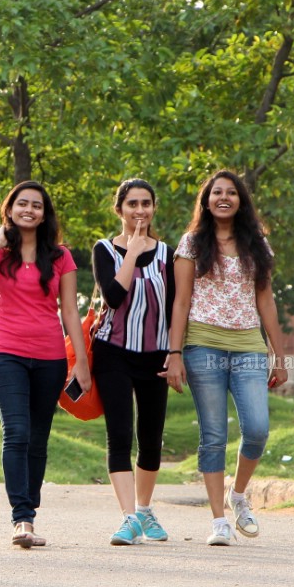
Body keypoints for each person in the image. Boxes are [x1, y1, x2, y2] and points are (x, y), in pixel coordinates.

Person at [0, 181, 91, 548]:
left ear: (45, 214)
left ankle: (30, 512)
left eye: (36, 205)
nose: (29, 210)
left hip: (50, 356)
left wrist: (80, 364)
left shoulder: (60, 256)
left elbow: (70, 311)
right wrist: (0, 239)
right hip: (7, 353)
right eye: (22, 204)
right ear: (10, 209)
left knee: (37, 438)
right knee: (16, 431)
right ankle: (21, 519)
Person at [163, 170, 287, 546]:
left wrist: (278, 355)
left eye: (231, 192)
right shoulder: (191, 244)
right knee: (213, 434)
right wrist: (174, 353)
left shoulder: (257, 245)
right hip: (203, 344)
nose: (223, 197)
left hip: (249, 344)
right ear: (206, 199)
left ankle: (238, 494)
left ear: (240, 200)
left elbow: (265, 300)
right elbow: (180, 302)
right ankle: (219, 520)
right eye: (216, 192)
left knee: (257, 428)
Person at [91, 179, 175, 545]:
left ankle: (143, 509)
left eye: (146, 204)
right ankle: (127, 518)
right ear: (119, 209)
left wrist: (176, 354)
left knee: (152, 437)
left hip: (156, 355)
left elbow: (177, 308)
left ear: (154, 208)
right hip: (113, 353)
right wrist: (132, 251)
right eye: (132, 204)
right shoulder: (104, 249)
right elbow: (111, 296)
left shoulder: (170, 254)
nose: (139, 211)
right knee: (120, 434)